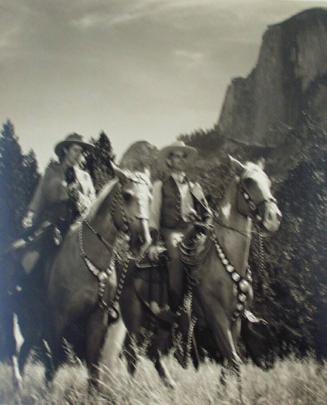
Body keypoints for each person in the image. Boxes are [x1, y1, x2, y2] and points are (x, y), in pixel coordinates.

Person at [148, 141, 211, 311]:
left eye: (183, 157)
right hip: (170, 232)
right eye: (177, 156)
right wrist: (154, 242)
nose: (181, 160)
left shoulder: (194, 187)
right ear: (169, 161)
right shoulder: (160, 186)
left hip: (192, 231)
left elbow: (207, 215)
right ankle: (176, 306)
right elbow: (154, 216)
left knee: (212, 254)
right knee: (176, 258)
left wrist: (198, 217)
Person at [20, 133, 96, 273]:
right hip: (53, 220)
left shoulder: (85, 177)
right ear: (66, 150)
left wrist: (79, 197)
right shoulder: (52, 171)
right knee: (39, 244)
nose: (78, 155)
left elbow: (93, 204)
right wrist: (30, 215)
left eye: (81, 152)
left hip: (79, 222)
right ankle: (23, 281)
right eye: (75, 150)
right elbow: (39, 196)